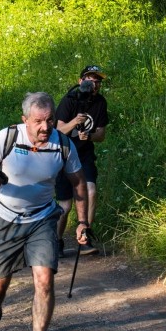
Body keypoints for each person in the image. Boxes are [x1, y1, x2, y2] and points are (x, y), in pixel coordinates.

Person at [0, 92, 89, 331]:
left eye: (50, 120)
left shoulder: (63, 145)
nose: (45, 127)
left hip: (43, 218)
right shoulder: (7, 138)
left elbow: (79, 183)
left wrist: (82, 222)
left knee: (44, 280)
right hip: (6, 218)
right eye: (38, 121)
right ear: (25, 121)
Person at [55, 65, 109, 256]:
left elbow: (101, 134)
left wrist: (90, 136)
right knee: (65, 205)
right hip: (64, 155)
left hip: (84, 155)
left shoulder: (100, 103)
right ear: (81, 81)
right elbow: (58, 131)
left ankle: (84, 235)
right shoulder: (69, 100)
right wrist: (75, 122)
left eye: (98, 81)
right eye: (91, 80)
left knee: (91, 190)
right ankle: (57, 241)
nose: (94, 85)